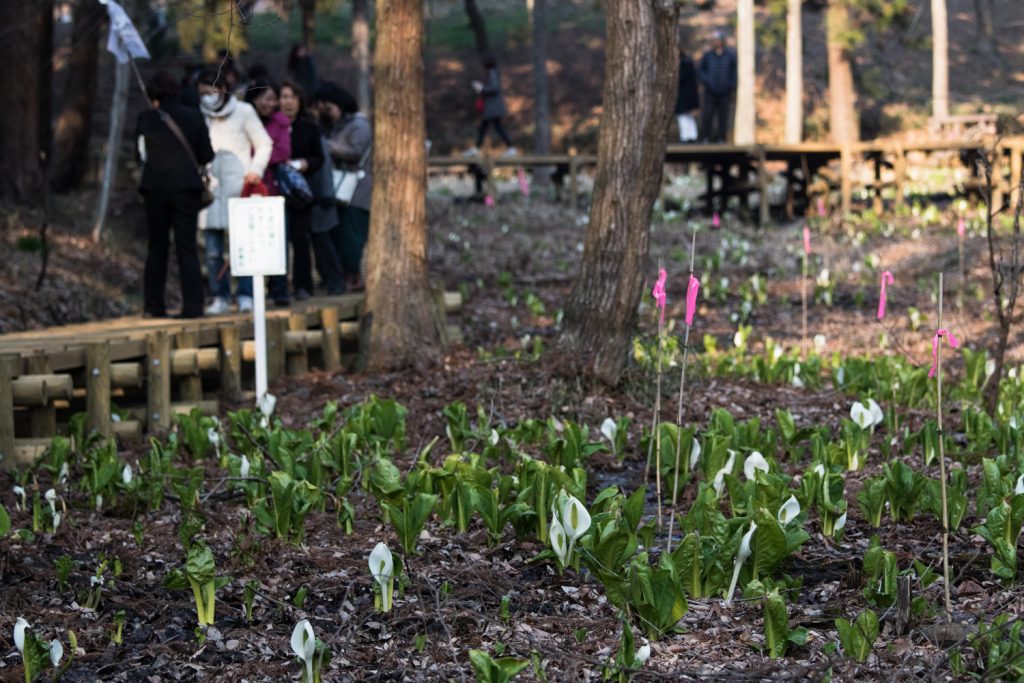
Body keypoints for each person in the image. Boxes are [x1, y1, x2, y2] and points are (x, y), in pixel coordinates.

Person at [135, 71, 214, 318]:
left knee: (157, 246)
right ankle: (193, 306)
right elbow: (206, 155)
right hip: (185, 188)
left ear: (152, 95)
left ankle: (153, 306)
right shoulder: (193, 116)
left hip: (155, 188)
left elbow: (139, 155)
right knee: (186, 247)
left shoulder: (146, 119)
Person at [197, 65, 273, 314]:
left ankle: (246, 294)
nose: (207, 96)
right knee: (212, 251)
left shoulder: (243, 111)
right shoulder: (199, 114)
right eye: (203, 92)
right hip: (210, 190)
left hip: (240, 187)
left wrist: (256, 170)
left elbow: (264, 143)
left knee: (243, 247)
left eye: (211, 91)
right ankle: (219, 296)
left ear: (223, 89)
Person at [245, 78, 293, 306]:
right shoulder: (246, 119)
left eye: (273, 99)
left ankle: (279, 288)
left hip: (272, 187)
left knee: (277, 239)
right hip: (247, 187)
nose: (270, 103)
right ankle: (252, 290)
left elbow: (282, 151)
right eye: (265, 99)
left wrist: (259, 161)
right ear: (254, 99)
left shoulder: (280, 123)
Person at [320, 83, 372, 292]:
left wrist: (328, 145)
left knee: (353, 236)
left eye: (330, 107)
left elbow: (355, 152)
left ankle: (355, 277)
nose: (327, 112)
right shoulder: (341, 125)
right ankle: (347, 276)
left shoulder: (359, 125)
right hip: (344, 190)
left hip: (357, 191)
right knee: (344, 235)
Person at [278, 80, 324, 301]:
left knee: (300, 238)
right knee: (278, 238)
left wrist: (304, 164)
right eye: (283, 97)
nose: (287, 102)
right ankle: (278, 287)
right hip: (276, 189)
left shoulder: (309, 127)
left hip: (300, 192)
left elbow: (319, 158)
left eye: (291, 97)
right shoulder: (271, 126)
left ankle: (302, 285)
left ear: (299, 100)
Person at [469, 54, 515, 156]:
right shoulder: (493, 73)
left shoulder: (492, 73)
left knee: (488, 127)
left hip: (492, 108)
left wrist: (481, 88)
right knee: (488, 127)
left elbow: (494, 88)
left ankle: (510, 148)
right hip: (492, 108)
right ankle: (509, 147)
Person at [698, 30, 737, 143]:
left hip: (725, 92)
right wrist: (707, 81)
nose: (716, 42)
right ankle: (706, 137)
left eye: (718, 40)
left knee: (723, 116)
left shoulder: (730, 56)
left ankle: (722, 138)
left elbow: (733, 73)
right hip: (710, 91)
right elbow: (701, 71)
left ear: (722, 41)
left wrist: (731, 85)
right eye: (714, 40)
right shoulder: (707, 56)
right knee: (707, 115)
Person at [676, 51, 700, 143]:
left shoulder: (683, 65)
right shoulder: (689, 63)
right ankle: (690, 136)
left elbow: (681, 78)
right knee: (687, 117)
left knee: (684, 117)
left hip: (684, 96)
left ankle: (687, 136)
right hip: (688, 97)